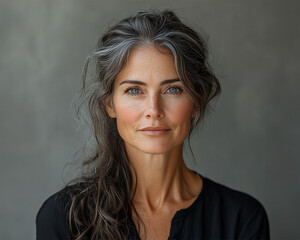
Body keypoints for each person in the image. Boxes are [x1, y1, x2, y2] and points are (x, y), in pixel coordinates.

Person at [36, 10, 270, 240]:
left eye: (173, 89)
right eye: (134, 90)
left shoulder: (241, 219)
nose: (154, 111)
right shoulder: (65, 218)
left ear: (196, 101)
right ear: (110, 105)